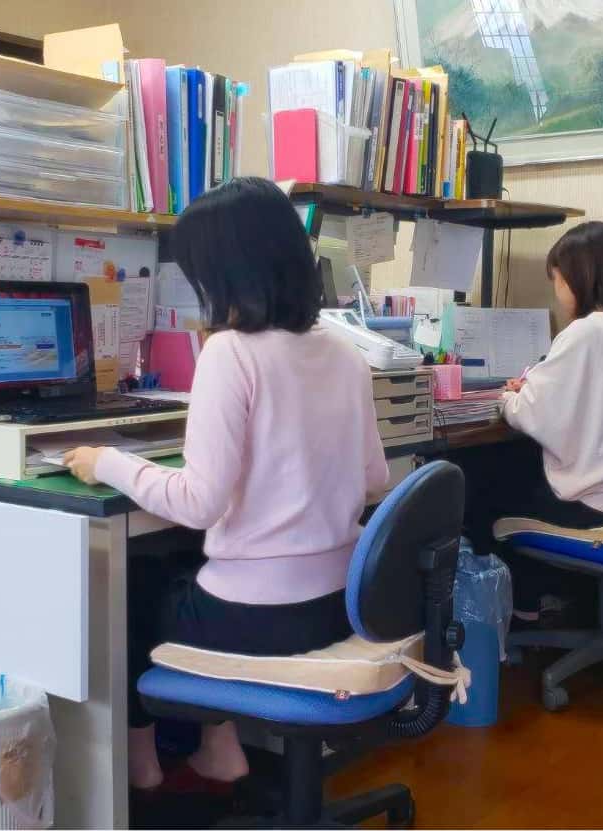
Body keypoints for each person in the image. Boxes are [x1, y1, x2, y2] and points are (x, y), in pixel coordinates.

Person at [63, 178, 389, 799]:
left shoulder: (230, 353)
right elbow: (375, 477)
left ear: (224, 272)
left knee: (131, 589)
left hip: (259, 620)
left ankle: (141, 762)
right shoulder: (346, 353)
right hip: (336, 603)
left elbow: (198, 502)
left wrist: (106, 461)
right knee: (184, 571)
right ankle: (220, 747)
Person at [464, 221, 603, 616]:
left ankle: (521, 609)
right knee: (513, 468)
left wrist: (508, 396)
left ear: (580, 279)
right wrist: (535, 392)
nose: (557, 292)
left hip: (595, 504)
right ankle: (554, 602)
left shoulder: (586, 333)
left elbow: (527, 411)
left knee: (478, 480)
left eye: (557, 280)